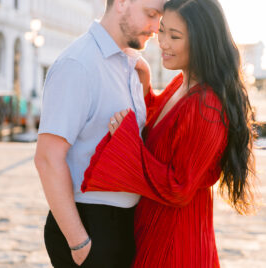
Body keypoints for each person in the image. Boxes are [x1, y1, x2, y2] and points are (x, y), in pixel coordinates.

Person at [81, 0, 257, 267]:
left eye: (174, 36)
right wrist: (146, 89)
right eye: (162, 30)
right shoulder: (181, 82)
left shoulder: (206, 103)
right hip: (153, 228)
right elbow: (166, 134)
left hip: (176, 241)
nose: (162, 42)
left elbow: (179, 187)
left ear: (202, 42)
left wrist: (127, 144)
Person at [34, 0, 165, 267]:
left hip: (124, 223)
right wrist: (80, 243)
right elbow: (47, 158)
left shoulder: (132, 65)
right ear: (122, 3)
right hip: (89, 224)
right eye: (151, 15)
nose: (156, 27)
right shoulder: (78, 64)